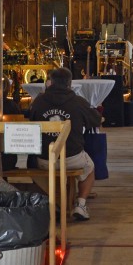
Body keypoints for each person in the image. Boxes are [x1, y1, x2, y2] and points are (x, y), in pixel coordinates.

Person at [28, 67, 102, 220]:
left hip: (44, 159)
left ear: (50, 82)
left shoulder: (38, 101)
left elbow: (31, 119)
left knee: (37, 166)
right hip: (72, 157)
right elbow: (95, 120)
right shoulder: (78, 102)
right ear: (69, 83)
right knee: (90, 168)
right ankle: (80, 204)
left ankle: (50, 202)